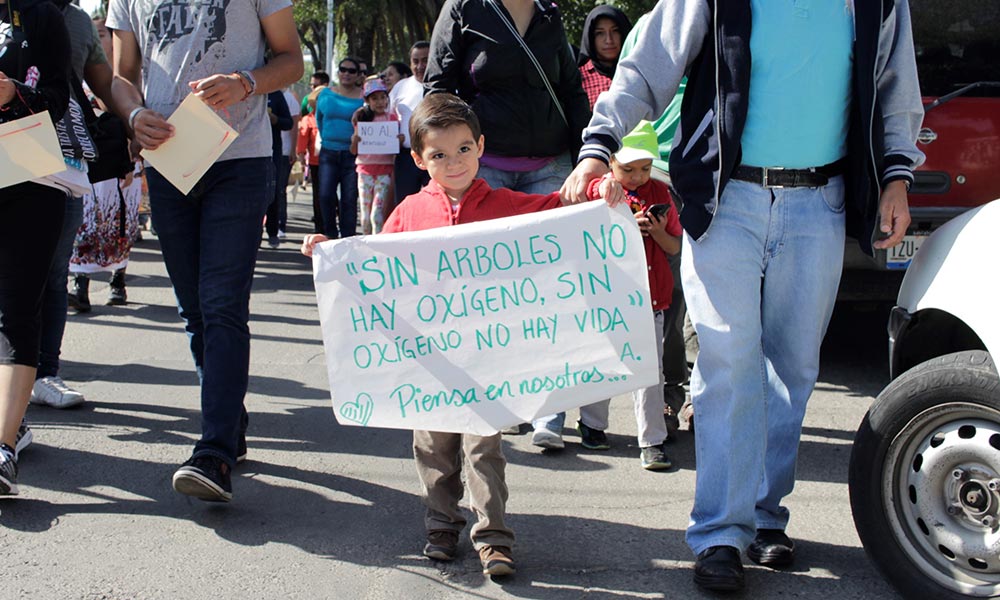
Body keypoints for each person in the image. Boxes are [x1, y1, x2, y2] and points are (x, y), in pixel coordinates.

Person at [561, 1, 925, 592]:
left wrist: (897, 176)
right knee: (728, 363)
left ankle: (764, 515)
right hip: (729, 200)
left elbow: (894, 85)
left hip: (821, 201)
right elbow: (649, 62)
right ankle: (719, 535)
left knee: (793, 368)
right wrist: (600, 142)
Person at [302, 93, 622, 576]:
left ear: (481, 147)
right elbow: (371, 262)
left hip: (485, 360)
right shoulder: (409, 211)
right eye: (439, 155)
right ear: (418, 159)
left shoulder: (505, 205)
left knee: (483, 448)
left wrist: (599, 193)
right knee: (432, 447)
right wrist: (329, 252)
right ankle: (441, 524)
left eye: (464, 150)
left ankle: (493, 537)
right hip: (427, 360)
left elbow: (559, 210)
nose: (454, 163)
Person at [107, 0, 303, 502]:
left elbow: (291, 59)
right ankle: (229, 421)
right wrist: (133, 115)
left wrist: (245, 83)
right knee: (194, 308)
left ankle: (213, 452)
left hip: (240, 160)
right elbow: (121, 76)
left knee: (220, 304)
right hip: (170, 160)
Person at [28, 0, 116, 417]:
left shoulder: (79, 20)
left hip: (65, 160)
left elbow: (105, 83)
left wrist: (134, 121)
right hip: (10, 155)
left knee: (53, 271)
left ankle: (45, 373)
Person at [579, 122, 681, 469]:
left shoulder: (661, 193)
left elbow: (674, 245)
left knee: (650, 373)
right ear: (610, 163)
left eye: (645, 168)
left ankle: (652, 440)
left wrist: (655, 230)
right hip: (611, 296)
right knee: (603, 362)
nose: (637, 177)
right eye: (627, 169)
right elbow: (589, 195)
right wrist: (606, 185)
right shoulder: (604, 188)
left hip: (652, 297)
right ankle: (592, 425)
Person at [0, 0, 72, 495]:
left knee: (17, 309)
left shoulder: (42, 16)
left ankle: (3, 446)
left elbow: (60, 99)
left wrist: (13, 92)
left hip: (27, 168)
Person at [424, 0, 589, 195]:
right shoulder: (463, 7)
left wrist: (586, 157)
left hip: (552, 169)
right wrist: (447, 163)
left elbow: (573, 92)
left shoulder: (549, 13)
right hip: (482, 169)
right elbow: (438, 91)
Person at [618, 11, 690, 435]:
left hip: (714, 179)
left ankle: (695, 398)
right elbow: (625, 97)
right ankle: (668, 398)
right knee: (670, 301)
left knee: (703, 304)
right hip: (656, 173)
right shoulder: (647, 28)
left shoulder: (720, 20)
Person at [65, 10, 141, 315]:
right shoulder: (81, 73)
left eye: (102, 34)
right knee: (85, 222)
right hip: (88, 159)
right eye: (94, 33)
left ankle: (117, 281)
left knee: (118, 222)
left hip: (119, 158)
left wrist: (132, 139)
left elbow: (126, 105)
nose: (97, 38)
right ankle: (79, 286)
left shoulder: (125, 79)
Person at [314, 57, 364, 238]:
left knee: (349, 199)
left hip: (352, 153)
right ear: (338, 71)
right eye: (343, 69)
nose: (346, 74)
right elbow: (319, 119)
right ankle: (330, 235)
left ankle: (348, 238)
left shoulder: (363, 97)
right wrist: (328, 137)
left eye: (351, 71)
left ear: (358, 75)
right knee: (326, 195)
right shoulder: (326, 94)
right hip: (328, 152)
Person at [349, 78, 400, 235]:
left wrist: (399, 140)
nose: (379, 102)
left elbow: (394, 147)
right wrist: (355, 141)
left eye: (382, 97)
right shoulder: (362, 119)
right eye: (374, 98)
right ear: (367, 100)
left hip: (384, 171)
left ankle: (377, 244)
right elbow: (353, 151)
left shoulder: (392, 119)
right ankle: (366, 244)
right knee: (365, 215)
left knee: (376, 214)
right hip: (365, 172)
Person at [388, 41, 430, 217]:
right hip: (406, 157)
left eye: (425, 60)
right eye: (415, 61)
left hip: (435, 157)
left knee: (434, 205)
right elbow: (385, 115)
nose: (420, 66)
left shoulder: (444, 82)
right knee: (405, 206)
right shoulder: (401, 87)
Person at [577, 4, 631, 110]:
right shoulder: (578, 79)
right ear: (590, 38)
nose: (609, 40)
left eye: (615, 31)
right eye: (600, 33)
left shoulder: (637, 72)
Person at [264, 88, 292, 247]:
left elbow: (289, 122)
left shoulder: (276, 94)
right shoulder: (242, 91)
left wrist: (275, 119)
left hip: (272, 151)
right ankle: (253, 236)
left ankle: (272, 232)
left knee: (272, 193)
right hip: (248, 151)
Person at [297, 87, 324, 233]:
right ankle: (320, 227)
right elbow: (302, 141)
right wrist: (301, 158)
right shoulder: (308, 119)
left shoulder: (334, 118)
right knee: (319, 195)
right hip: (316, 163)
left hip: (335, 161)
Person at [277, 86, 300, 237]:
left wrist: (293, 149)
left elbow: (294, 126)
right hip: (265, 151)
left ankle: (280, 224)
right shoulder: (264, 94)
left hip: (284, 152)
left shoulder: (290, 98)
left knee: (280, 189)